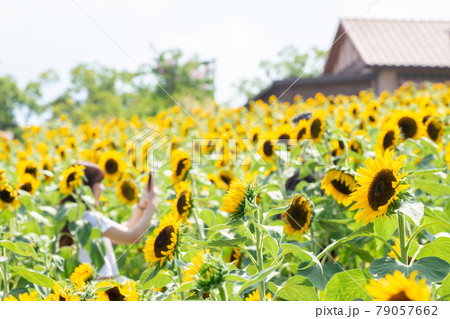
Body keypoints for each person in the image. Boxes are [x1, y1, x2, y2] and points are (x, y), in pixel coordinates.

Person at [59, 162, 158, 279]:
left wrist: (142, 206)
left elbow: (127, 231)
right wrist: (152, 204)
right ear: (87, 186)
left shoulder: (74, 219)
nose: (103, 187)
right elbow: (133, 237)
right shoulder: (91, 220)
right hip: (101, 290)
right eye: (99, 182)